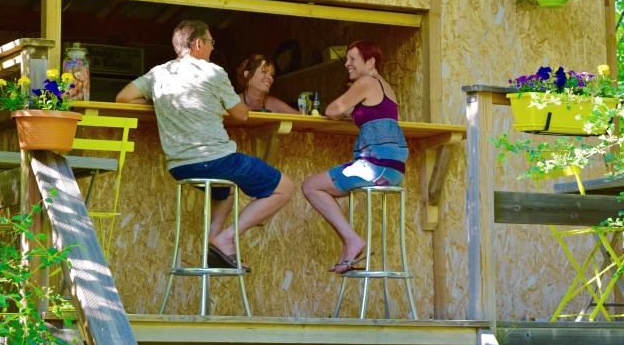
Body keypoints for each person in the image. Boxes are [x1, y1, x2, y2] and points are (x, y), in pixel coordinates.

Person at [116, 20, 294, 271]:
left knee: (227, 190)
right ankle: (227, 239)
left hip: (179, 166)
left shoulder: (158, 73)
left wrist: (161, 103)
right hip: (215, 160)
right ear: (198, 44)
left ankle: (215, 240)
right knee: (285, 188)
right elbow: (241, 115)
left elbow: (123, 98)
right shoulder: (213, 72)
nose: (212, 48)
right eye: (211, 42)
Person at [301, 40, 408, 273]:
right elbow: (355, 111)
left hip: (375, 167)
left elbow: (332, 110)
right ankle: (351, 243)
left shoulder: (366, 81)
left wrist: (344, 110)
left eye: (352, 59)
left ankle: (352, 240)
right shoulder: (384, 86)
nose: (347, 64)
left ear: (370, 62)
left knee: (310, 186)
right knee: (320, 186)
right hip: (391, 170)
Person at [235, 54, 301, 114]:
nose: (270, 78)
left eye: (271, 74)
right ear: (248, 75)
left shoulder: (274, 104)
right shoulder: (233, 103)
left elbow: (302, 118)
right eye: (264, 71)